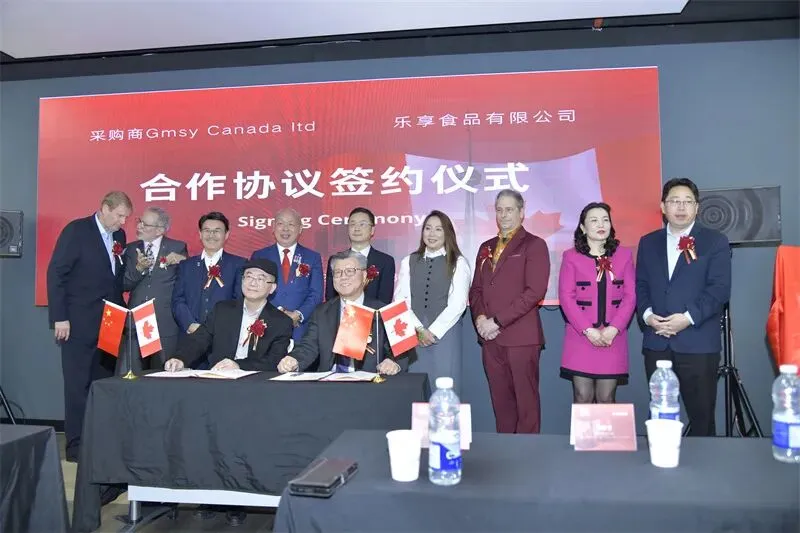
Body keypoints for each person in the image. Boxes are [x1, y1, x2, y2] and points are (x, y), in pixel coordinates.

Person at [165, 258, 292, 527]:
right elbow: (200, 339)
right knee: (207, 436)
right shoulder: (223, 310)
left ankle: (237, 500)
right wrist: (179, 357)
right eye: (249, 276)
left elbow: (273, 362)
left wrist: (238, 365)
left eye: (261, 279)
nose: (253, 282)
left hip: (254, 393)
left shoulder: (281, 322)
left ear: (272, 288)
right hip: (218, 391)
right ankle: (210, 496)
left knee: (241, 438)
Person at [636, 177, 731, 436]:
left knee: (701, 419)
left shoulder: (715, 241)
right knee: (660, 416)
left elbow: (719, 290)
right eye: (674, 201)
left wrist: (686, 318)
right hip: (657, 341)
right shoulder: (648, 242)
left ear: (697, 207)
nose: (681, 207)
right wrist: (648, 316)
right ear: (663, 207)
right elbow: (641, 285)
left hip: (697, 343)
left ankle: (703, 463)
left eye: (687, 201)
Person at [47, 191, 132, 462]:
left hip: (110, 321)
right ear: (104, 208)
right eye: (119, 215)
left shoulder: (120, 237)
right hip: (78, 322)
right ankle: (75, 447)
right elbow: (56, 274)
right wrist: (60, 317)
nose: (122, 222)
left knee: (102, 383)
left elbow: (115, 280)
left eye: (126, 217)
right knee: (77, 385)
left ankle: (98, 442)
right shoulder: (77, 231)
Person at [469, 189, 550, 434]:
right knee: (501, 403)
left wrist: (497, 321)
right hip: (490, 339)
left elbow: (534, 292)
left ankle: (527, 453)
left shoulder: (534, 245)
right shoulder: (485, 247)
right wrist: (480, 319)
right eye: (499, 210)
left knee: (526, 404)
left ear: (521, 212)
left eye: (509, 210)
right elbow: (476, 290)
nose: (503, 215)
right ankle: (505, 450)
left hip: (521, 337)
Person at [277, 250, 409, 375]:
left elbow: (402, 352)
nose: (343, 277)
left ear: (364, 275)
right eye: (338, 272)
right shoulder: (321, 312)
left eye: (350, 271)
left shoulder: (384, 311)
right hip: (330, 383)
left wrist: (392, 362)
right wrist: (293, 359)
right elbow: (308, 347)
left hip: (370, 384)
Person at [558, 202, 635, 403]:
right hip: (581, 335)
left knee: (606, 397)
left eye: (605, 220)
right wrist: (587, 330)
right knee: (582, 396)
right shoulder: (571, 257)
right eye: (594, 220)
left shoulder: (624, 255)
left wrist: (614, 328)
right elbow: (566, 297)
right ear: (583, 228)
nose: (601, 224)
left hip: (612, 337)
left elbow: (630, 296)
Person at [394, 210, 470, 393]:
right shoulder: (408, 261)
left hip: (445, 335)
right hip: (413, 334)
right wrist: (419, 330)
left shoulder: (458, 262)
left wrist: (433, 332)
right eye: (428, 228)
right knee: (416, 389)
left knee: (445, 387)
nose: (432, 234)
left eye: (438, 229)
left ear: (447, 233)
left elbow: (458, 304)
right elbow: (401, 299)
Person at [171, 212, 245, 368]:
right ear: (200, 234)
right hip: (190, 340)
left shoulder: (238, 264)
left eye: (217, 231)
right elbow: (178, 300)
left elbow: (238, 301)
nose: (211, 235)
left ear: (226, 235)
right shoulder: (186, 266)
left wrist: (214, 330)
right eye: (207, 230)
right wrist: (190, 324)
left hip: (222, 342)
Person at [122, 207, 188, 369]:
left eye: (145, 224)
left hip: (164, 321)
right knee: (134, 373)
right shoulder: (130, 249)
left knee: (163, 373)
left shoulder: (177, 247)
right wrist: (139, 269)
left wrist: (183, 261)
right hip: (136, 321)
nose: (139, 226)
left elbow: (188, 280)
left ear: (160, 230)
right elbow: (124, 285)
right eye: (139, 222)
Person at [251, 208, 323, 342]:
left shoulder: (312, 257)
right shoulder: (260, 256)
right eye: (280, 223)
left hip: (301, 330)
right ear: (273, 227)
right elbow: (253, 291)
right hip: (266, 326)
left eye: (291, 224)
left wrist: (298, 315)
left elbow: (316, 294)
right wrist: (275, 314)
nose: (285, 228)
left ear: (300, 228)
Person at [325, 207, 395, 305]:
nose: (357, 228)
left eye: (362, 224)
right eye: (352, 224)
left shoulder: (385, 261)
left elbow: (384, 300)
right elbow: (330, 298)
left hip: (373, 313)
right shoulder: (336, 260)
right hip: (341, 313)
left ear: (372, 230)